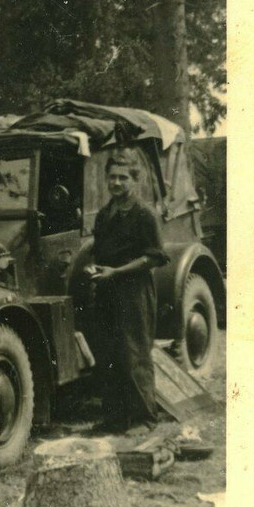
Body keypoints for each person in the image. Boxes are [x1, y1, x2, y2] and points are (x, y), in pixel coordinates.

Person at [88, 150, 169, 435]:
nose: (117, 182)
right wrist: (96, 270)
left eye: (123, 177)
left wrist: (117, 272)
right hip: (107, 291)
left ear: (135, 181)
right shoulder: (103, 215)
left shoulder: (145, 214)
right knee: (109, 354)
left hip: (134, 291)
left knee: (135, 354)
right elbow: (100, 252)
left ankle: (144, 419)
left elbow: (155, 257)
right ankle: (114, 419)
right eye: (112, 177)